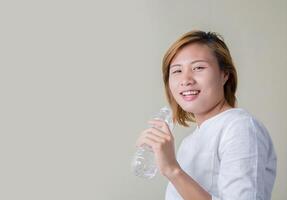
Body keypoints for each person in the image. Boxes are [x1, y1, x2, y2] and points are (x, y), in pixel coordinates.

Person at [136, 30, 277, 200]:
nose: (186, 79)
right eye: (177, 71)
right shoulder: (189, 142)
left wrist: (173, 170)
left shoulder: (240, 127)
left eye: (198, 68)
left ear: (224, 75)